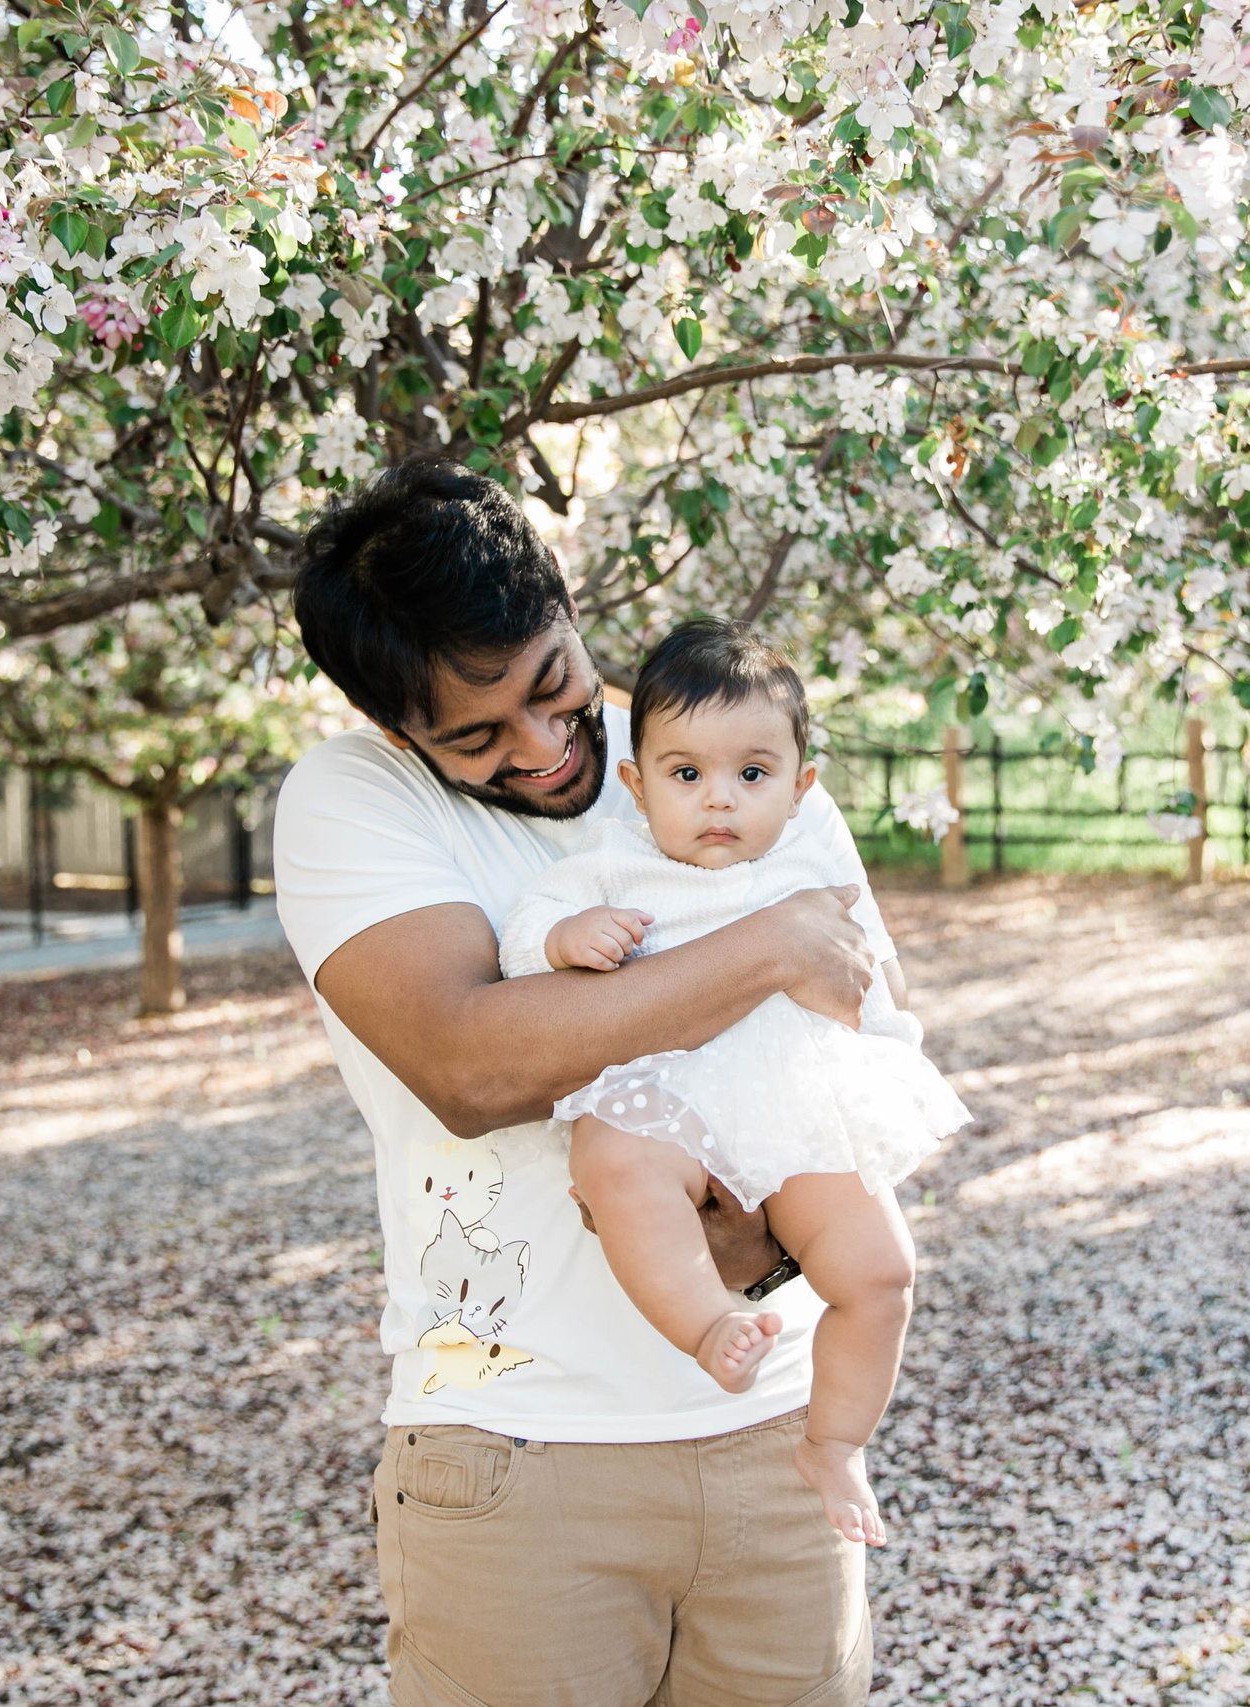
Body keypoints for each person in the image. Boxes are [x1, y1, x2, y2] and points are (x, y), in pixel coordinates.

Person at [273, 459, 890, 1706]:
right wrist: (758, 947)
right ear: (400, 730)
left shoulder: (728, 750)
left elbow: (861, 1053)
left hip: (776, 1432)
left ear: (565, 604)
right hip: (517, 1452)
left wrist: (767, 1250)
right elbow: (472, 1062)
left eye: (554, 690)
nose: (547, 747)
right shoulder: (354, 799)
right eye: (478, 735)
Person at [499, 619, 967, 1548]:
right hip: (670, 1095)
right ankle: (709, 1321)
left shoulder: (813, 869)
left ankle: (835, 1442)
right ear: (637, 787)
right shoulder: (611, 865)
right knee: (616, 1163)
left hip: (792, 1100)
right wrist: (561, 939)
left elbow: (871, 982)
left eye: (752, 775)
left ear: (801, 789)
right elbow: (525, 931)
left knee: (882, 1273)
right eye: (686, 775)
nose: (719, 801)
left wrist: (887, 1056)